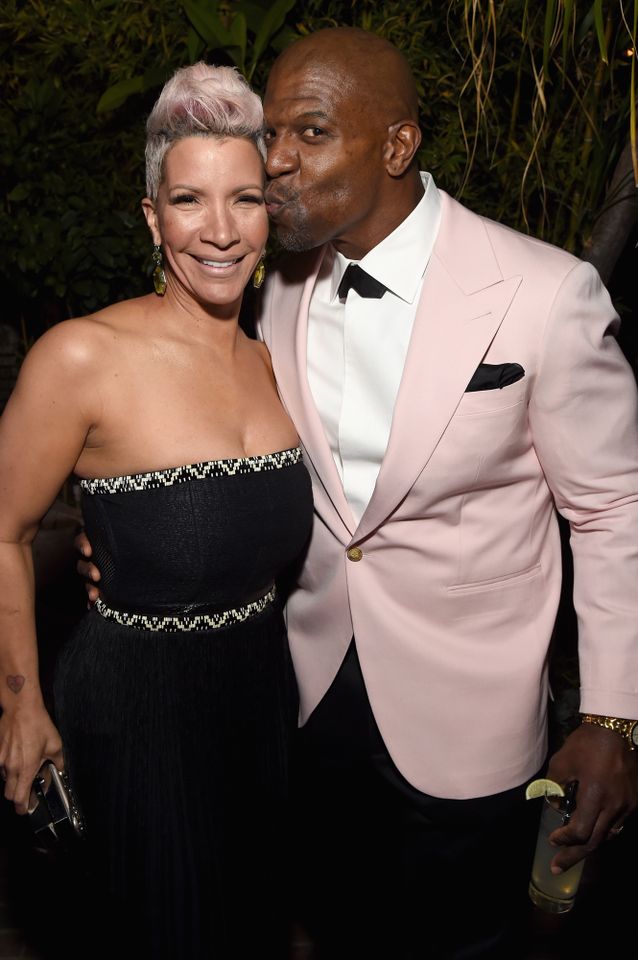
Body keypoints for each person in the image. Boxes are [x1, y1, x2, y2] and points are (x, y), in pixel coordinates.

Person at [78, 27, 638, 959]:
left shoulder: (545, 294)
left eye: (309, 133)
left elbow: (615, 509)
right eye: (272, 135)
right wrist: (130, 532)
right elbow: (210, 432)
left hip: (468, 711)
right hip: (295, 696)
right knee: (326, 926)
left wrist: (614, 714)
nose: (277, 163)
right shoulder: (276, 284)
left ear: (396, 145)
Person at [0, 63, 312, 960]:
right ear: (152, 217)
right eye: (189, 200)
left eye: (244, 200)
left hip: (257, 693)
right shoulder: (81, 356)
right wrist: (18, 706)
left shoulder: (269, 354)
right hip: (136, 709)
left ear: (268, 214)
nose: (219, 231)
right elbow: (7, 530)